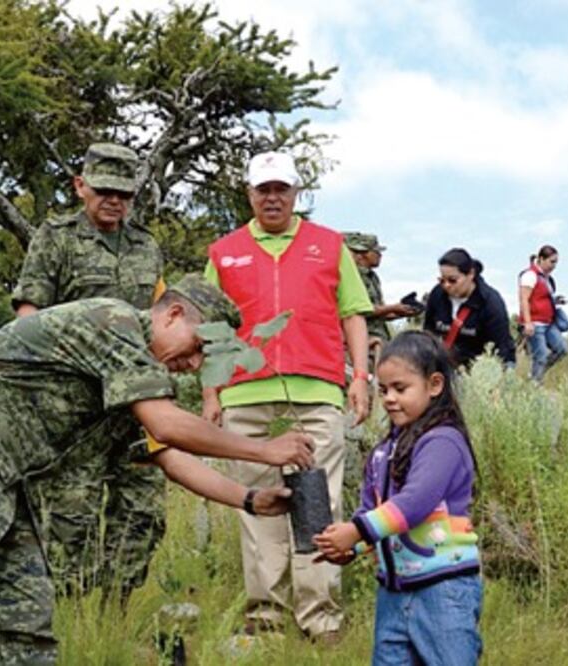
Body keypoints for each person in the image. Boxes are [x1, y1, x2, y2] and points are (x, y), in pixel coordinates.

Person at [0, 276, 315, 665]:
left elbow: (164, 453)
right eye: (199, 348)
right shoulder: (113, 322)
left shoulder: (130, 378)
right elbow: (167, 424)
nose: (195, 365)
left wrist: (248, 500)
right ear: (173, 314)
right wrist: (266, 451)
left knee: (19, 631)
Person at [202, 151, 372, 642]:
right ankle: (266, 617)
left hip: (315, 392)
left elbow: (353, 314)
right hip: (244, 395)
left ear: (297, 193)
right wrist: (211, 392)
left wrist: (360, 377)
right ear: (249, 194)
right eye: (264, 189)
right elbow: (207, 328)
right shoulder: (224, 251)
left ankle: (321, 617)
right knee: (257, 506)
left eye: (282, 188)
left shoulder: (330, 245)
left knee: (318, 503)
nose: (272, 197)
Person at [10, 142, 168, 598]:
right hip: (75, 408)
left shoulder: (146, 247)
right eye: (104, 191)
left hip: (133, 406)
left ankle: (115, 611)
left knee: (141, 512)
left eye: (124, 194)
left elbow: (159, 321)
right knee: (69, 517)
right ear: (81, 186)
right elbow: (29, 315)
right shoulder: (57, 238)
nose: (114, 201)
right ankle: (68, 614)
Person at [313, 331, 482, 666]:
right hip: (393, 591)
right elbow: (372, 512)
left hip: (443, 589)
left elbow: (413, 505)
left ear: (434, 385)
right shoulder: (383, 452)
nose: (389, 398)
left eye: (400, 389)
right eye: (383, 390)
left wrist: (355, 531)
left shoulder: (443, 442)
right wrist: (352, 547)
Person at [423, 247, 515, 368]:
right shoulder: (437, 294)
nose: (446, 285)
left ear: (471, 274)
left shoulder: (490, 303)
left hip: (480, 366)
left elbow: (501, 348)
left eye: (452, 280)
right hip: (448, 364)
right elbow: (428, 333)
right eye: (442, 280)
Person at [343, 232, 419, 359]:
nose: (380, 255)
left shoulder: (373, 278)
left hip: (379, 341)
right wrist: (393, 308)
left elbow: (380, 311)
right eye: (375, 251)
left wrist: (403, 311)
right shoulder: (352, 276)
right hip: (362, 343)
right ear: (361, 254)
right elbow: (358, 310)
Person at [518, 245, 568, 383]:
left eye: (556, 262)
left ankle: (536, 374)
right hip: (535, 323)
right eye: (552, 262)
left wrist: (556, 301)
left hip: (548, 322)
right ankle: (535, 384)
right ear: (541, 259)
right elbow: (524, 299)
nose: (554, 266)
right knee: (541, 355)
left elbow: (542, 297)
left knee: (562, 349)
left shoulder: (547, 278)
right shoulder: (530, 275)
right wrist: (528, 322)